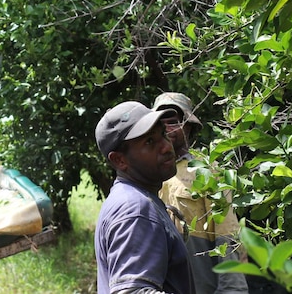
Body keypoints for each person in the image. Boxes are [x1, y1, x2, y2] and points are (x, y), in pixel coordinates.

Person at [94, 100, 196, 294]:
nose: (166, 146)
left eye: (163, 134)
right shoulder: (135, 209)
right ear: (119, 160)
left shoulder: (130, 198)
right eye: (149, 142)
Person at [154, 93, 248, 294]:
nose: (166, 129)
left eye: (172, 122)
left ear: (188, 125)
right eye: (159, 124)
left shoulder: (207, 171)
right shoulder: (148, 171)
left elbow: (227, 233)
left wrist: (232, 289)